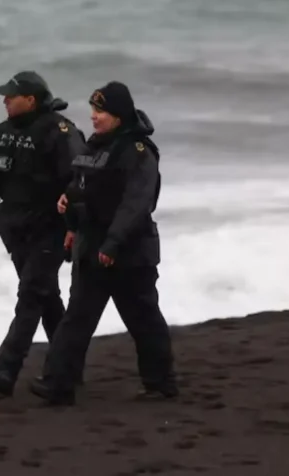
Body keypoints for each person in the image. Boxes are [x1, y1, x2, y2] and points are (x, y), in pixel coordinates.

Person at [29, 81, 178, 406]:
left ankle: (161, 384)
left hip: (129, 253)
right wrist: (69, 210)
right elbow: (80, 187)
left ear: (120, 116)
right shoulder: (94, 147)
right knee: (76, 321)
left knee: (144, 319)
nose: (94, 117)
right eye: (94, 110)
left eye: (102, 111)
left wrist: (112, 245)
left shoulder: (139, 152)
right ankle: (58, 385)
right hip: (91, 248)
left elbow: (136, 205)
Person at [0, 71, 86, 396]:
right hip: (15, 229)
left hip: (50, 230)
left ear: (32, 99)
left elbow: (80, 179)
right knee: (46, 299)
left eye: (11, 95)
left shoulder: (60, 132)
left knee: (30, 297)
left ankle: (6, 371)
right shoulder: (4, 133)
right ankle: (69, 367)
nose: (5, 100)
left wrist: (74, 228)